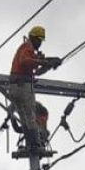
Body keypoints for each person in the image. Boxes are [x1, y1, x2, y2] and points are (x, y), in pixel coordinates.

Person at [9, 25, 59, 153]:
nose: (40, 44)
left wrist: (46, 64)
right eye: (39, 40)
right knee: (30, 115)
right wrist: (42, 62)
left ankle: (31, 142)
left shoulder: (26, 50)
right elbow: (25, 61)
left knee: (25, 117)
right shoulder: (27, 47)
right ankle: (35, 144)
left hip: (14, 86)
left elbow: (34, 70)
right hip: (23, 86)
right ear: (33, 38)